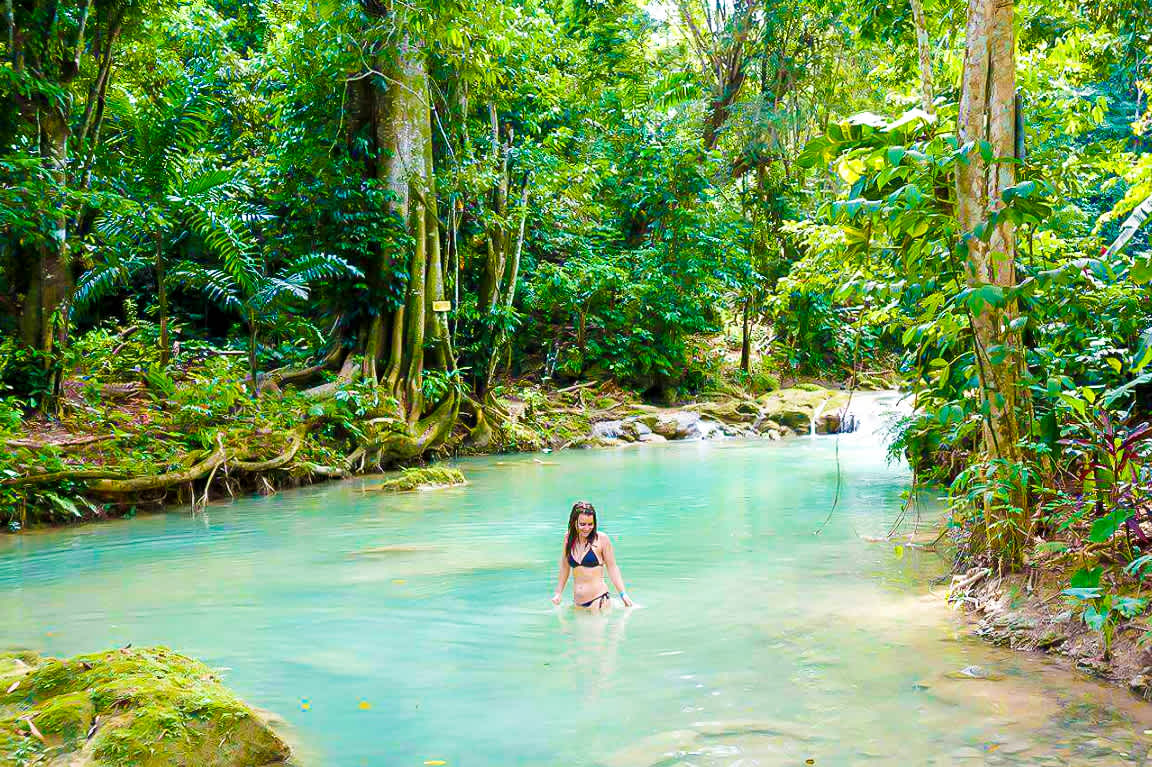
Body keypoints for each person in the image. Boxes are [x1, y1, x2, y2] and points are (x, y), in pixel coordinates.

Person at [552, 500, 633, 609]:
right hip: (578, 604)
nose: (587, 528)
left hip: (598, 601)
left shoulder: (601, 539)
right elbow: (565, 567)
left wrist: (623, 594)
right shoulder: (568, 539)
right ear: (574, 522)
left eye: (590, 524)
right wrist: (558, 593)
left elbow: (612, 567)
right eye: (582, 524)